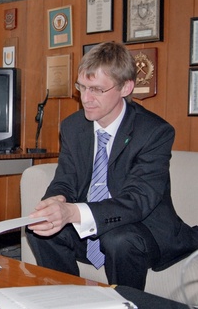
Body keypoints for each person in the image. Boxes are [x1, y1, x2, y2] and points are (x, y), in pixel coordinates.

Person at [26, 42, 198, 290]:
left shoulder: (153, 132)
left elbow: (138, 200)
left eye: (96, 89)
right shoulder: (74, 127)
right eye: (81, 87)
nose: (85, 98)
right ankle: (65, 300)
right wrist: (56, 201)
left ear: (125, 87)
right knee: (41, 230)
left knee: (118, 239)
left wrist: (73, 213)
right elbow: (66, 179)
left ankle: (127, 304)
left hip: (142, 228)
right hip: (92, 228)